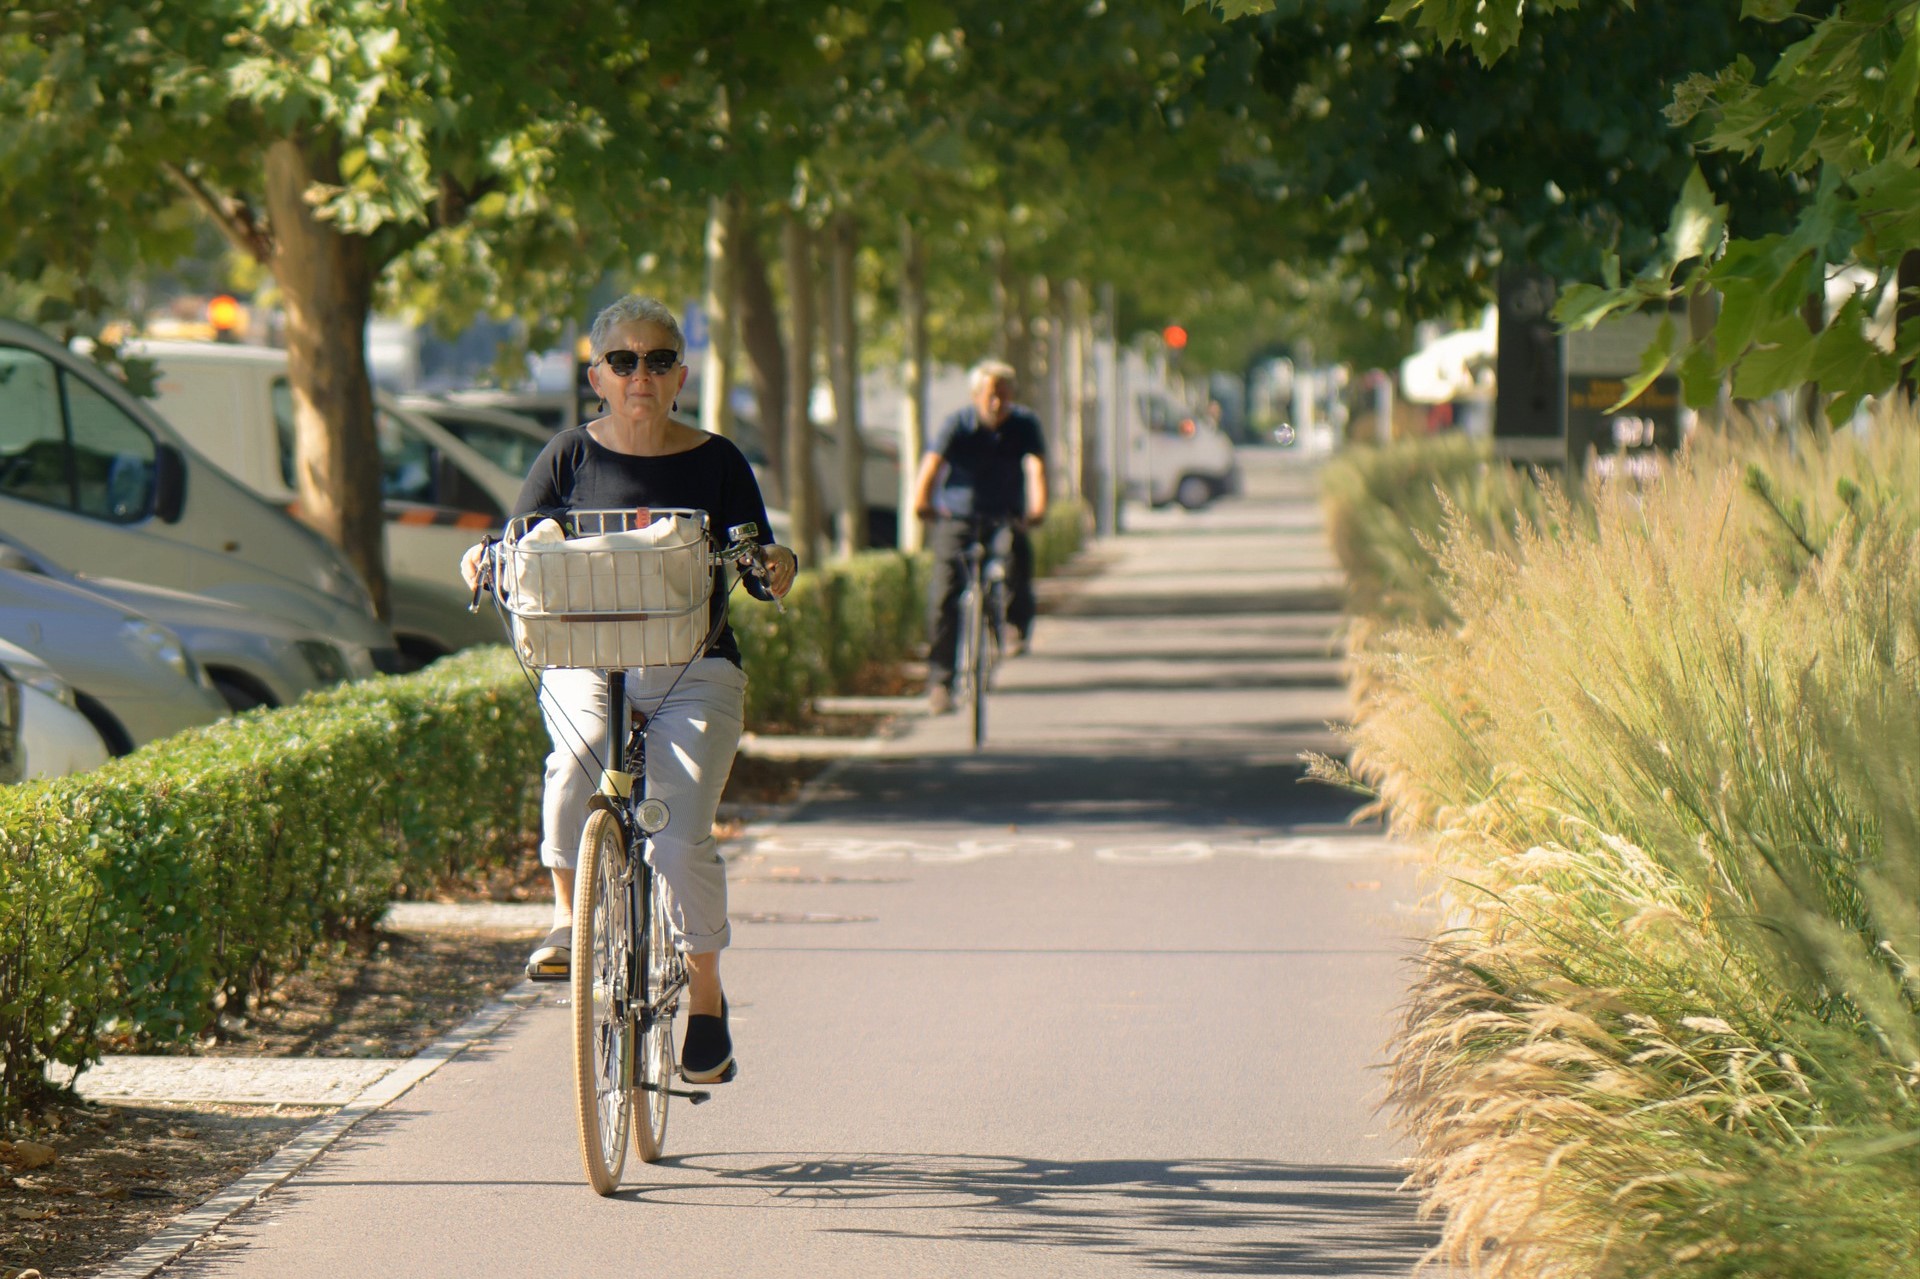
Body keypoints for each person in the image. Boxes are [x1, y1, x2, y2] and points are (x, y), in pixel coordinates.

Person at [461, 295, 796, 1084]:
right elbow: (509, 545)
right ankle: (567, 919)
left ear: (680, 374)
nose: (639, 374)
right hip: (584, 659)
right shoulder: (565, 458)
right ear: (597, 377)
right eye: (622, 361)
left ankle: (705, 996)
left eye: (656, 360)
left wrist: (778, 566)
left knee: (679, 833)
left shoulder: (718, 461)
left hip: (693, 668)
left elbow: (757, 558)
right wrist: (479, 562)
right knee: (572, 768)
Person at [910, 359, 1048, 714]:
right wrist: (922, 500)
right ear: (976, 396)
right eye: (990, 395)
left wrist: (1038, 507)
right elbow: (932, 463)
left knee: (1018, 553)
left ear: (1012, 395)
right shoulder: (957, 424)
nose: (997, 403)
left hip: (1004, 515)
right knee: (944, 594)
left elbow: (1035, 468)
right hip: (959, 517)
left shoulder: (1025, 425)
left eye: (1003, 395)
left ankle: (1016, 625)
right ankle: (941, 682)